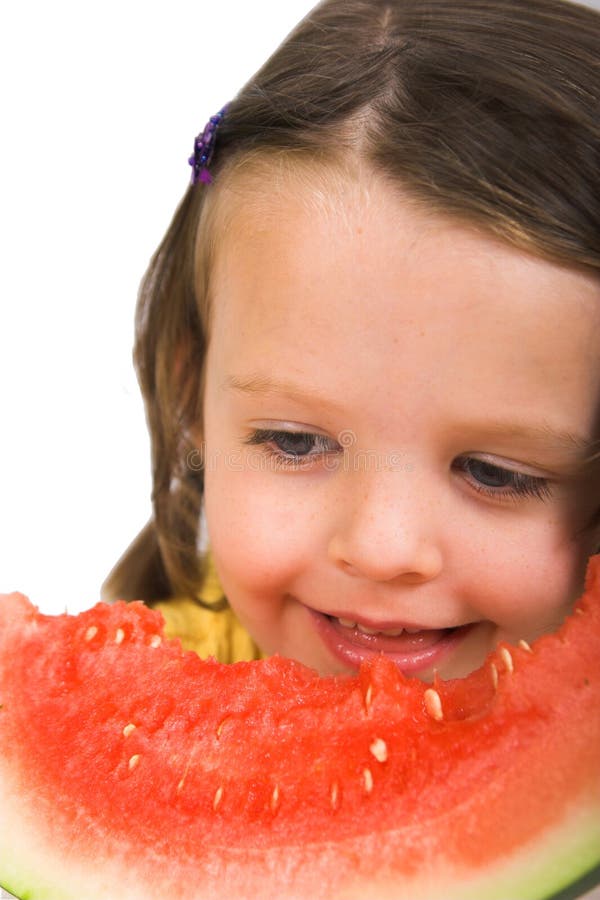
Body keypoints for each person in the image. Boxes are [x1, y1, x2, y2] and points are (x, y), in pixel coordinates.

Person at [102, 0, 600, 681]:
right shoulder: (148, 677)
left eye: (495, 473)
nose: (380, 547)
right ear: (191, 391)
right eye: (295, 441)